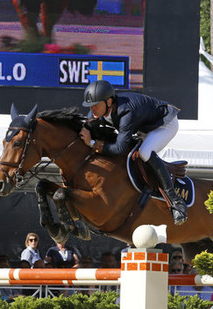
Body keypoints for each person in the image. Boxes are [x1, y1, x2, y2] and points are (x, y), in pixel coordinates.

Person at [78, 80, 187, 225]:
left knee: (144, 152)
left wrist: (92, 143)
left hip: (164, 124)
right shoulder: (100, 110)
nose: (93, 109)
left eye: (96, 105)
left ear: (109, 102)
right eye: (91, 106)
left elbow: (119, 148)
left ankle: (176, 202)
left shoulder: (126, 112)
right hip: (144, 126)